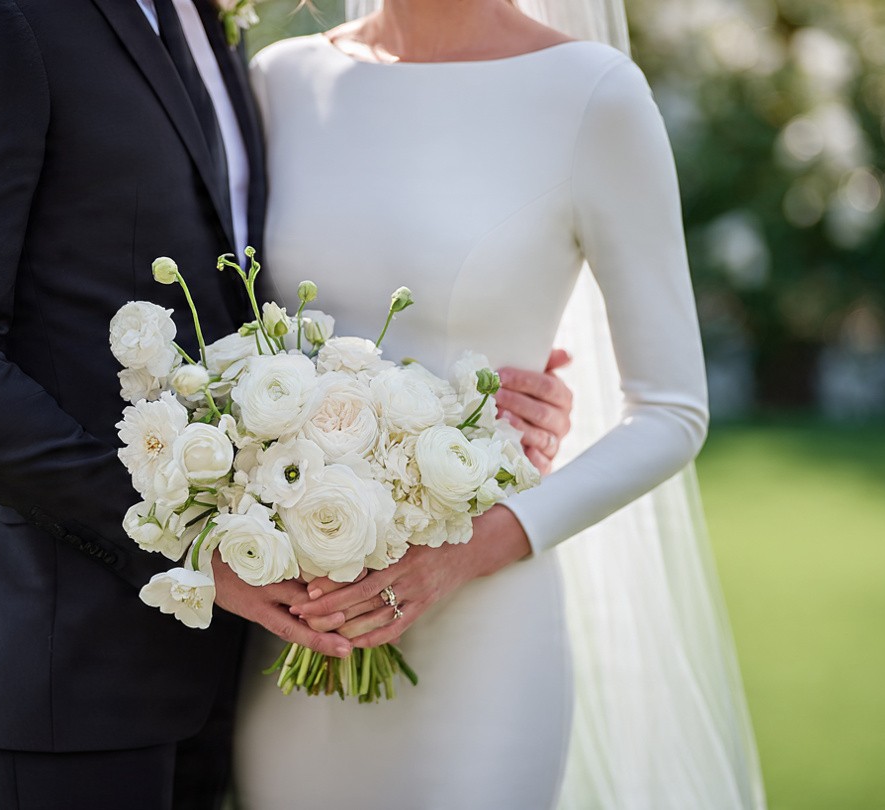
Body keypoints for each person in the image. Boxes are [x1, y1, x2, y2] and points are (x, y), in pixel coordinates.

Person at [0, 0, 576, 806]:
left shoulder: (205, 16)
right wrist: (191, 548)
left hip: (237, 675)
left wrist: (460, 406)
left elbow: (248, 287)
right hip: (63, 666)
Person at [234, 0, 766, 807]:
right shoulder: (282, 79)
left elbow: (671, 410)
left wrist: (465, 552)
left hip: (482, 625)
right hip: (297, 623)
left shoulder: (593, 95)